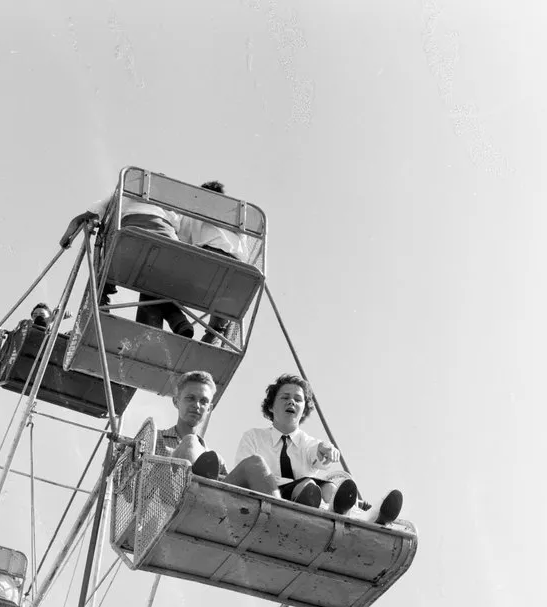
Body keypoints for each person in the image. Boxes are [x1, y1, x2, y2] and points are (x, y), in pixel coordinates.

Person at [235, 374, 404, 525]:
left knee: (329, 488)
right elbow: (246, 473)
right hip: (267, 494)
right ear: (271, 407)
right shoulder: (253, 437)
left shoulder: (306, 442)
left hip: (308, 497)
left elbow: (315, 451)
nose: (291, 401)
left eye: (298, 399)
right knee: (307, 486)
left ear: (304, 410)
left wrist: (325, 450)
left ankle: (370, 517)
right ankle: (327, 505)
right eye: (285, 397)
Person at [59, 190, 194, 339]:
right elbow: (184, 235)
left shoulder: (123, 192)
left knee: (102, 280)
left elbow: (81, 219)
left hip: (130, 239)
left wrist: (66, 239)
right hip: (169, 246)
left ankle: (100, 318)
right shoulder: (168, 204)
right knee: (155, 288)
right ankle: (178, 322)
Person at [157, 370, 278, 495]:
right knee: (190, 440)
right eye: (190, 398)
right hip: (165, 501)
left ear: (209, 409)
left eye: (203, 401)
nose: (197, 405)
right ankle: (189, 492)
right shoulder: (154, 438)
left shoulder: (216, 461)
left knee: (256, 463)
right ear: (176, 402)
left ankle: (278, 507)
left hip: (206, 502)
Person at [178, 181, 256, 346]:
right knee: (219, 325)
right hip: (237, 268)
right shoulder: (237, 214)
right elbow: (244, 247)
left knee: (162, 288)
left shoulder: (194, 214)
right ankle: (206, 347)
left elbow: (182, 240)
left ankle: (178, 321)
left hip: (208, 259)